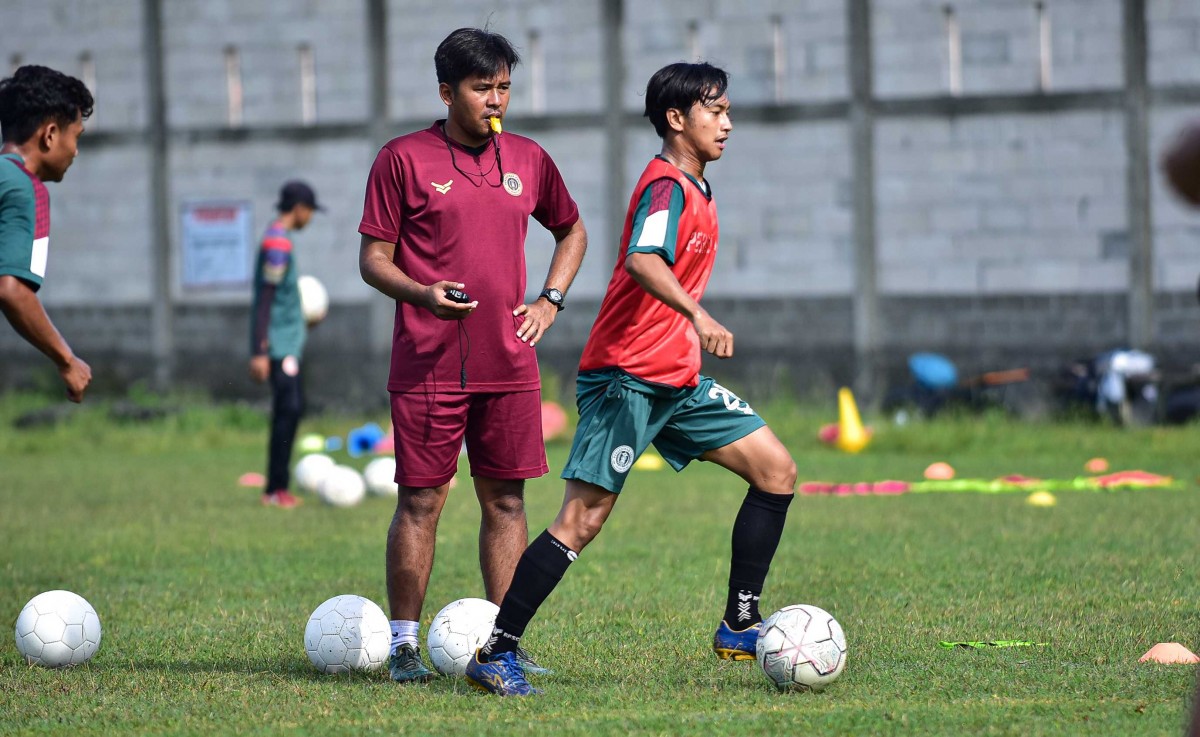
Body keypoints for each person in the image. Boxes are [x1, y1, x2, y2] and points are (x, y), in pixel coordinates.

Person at [465, 61, 798, 696]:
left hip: (676, 381)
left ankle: (740, 621)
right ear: (677, 119)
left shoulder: (698, 187)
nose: (728, 123)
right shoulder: (666, 188)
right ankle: (497, 650)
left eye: (728, 111)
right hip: (628, 380)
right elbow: (643, 259)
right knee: (580, 522)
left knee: (776, 471)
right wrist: (697, 315)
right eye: (715, 111)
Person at [357, 27, 588, 684]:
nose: (496, 101)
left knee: (508, 502)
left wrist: (549, 298)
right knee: (422, 501)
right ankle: (403, 644)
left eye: (504, 87)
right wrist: (422, 293)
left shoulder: (530, 158)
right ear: (446, 91)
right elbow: (373, 259)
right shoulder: (402, 159)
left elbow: (571, 229)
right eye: (483, 88)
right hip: (428, 365)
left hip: (509, 365)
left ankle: (503, 643)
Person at [0, 65, 94, 403]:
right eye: (76, 137)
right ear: (50, 134)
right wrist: (66, 360)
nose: (76, 151)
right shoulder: (27, 189)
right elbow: (12, 290)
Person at [249, 180, 322, 508]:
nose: (310, 219)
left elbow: (280, 298)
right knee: (288, 410)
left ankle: (277, 486)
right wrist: (260, 350)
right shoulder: (278, 242)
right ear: (300, 209)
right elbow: (265, 298)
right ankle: (276, 488)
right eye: (310, 212)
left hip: (287, 342)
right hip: (278, 347)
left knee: (291, 409)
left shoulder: (280, 239)